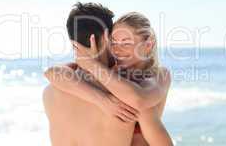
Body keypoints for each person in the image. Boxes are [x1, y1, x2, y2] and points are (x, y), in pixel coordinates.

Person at [45, 8, 174, 145]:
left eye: (126, 43)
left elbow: (139, 99)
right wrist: (102, 100)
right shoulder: (121, 88)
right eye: (114, 42)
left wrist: (90, 64)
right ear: (107, 39)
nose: (117, 50)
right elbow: (51, 72)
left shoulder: (49, 91)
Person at [43, 2, 138, 146]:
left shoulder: (50, 92)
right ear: (107, 37)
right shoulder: (126, 91)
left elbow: (52, 72)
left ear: (73, 42)